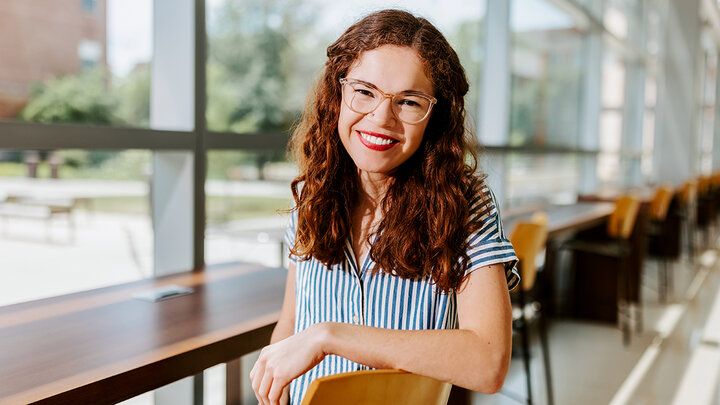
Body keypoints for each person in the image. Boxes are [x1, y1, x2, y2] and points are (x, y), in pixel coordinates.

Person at [250, 9, 519, 405]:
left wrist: (331, 336)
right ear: (337, 94)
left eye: (409, 102)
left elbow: (489, 362)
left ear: (434, 116)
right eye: (364, 91)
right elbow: (291, 324)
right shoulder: (312, 193)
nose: (381, 118)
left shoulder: (463, 205)